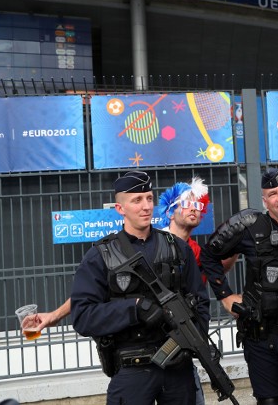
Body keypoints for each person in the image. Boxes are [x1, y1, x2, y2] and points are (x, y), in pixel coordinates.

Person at [70, 171, 210, 405]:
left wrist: (188, 342)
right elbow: (83, 315)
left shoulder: (177, 249)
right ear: (120, 208)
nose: (146, 206)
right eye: (137, 200)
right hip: (132, 370)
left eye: (149, 198)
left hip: (178, 369)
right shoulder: (101, 256)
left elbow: (201, 303)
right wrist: (133, 309)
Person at [200, 167, 278, 405]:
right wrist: (226, 296)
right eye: (272, 194)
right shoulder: (249, 225)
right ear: (264, 200)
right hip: (259, 338)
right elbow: (208, 255)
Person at [157, 177, 237, 405]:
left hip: (180, 342)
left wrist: (235, 247)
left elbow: (216, 271)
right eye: (187, 203)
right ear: (171, 212)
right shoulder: (153, 243)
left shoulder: (195, 250)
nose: (194, 208)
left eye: (198, 205)